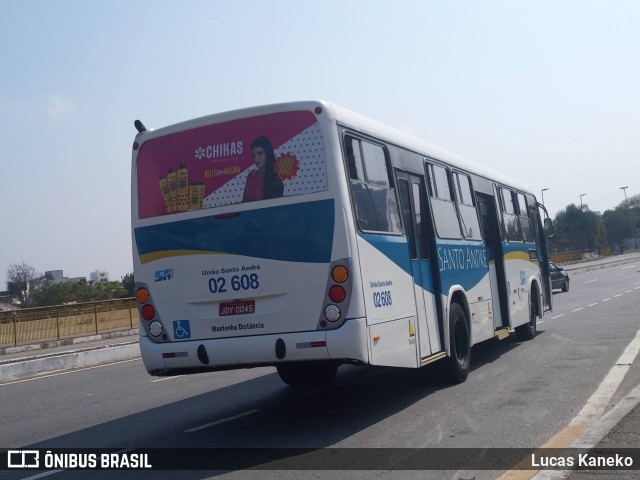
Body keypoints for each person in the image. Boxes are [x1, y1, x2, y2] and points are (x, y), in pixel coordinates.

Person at [242, 136, 284, 202]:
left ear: (268, 153)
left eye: (260, 153)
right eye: (253, 155)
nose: (256, 159)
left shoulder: (275, 178)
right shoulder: (251, 175)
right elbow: (244, 200)